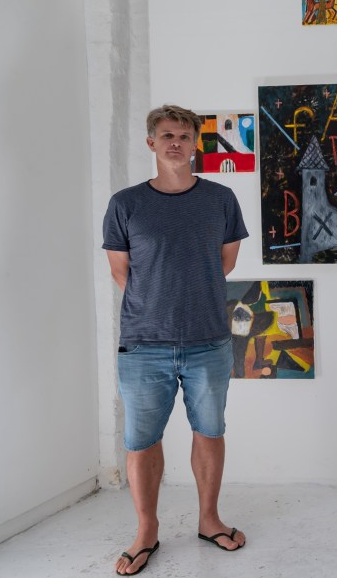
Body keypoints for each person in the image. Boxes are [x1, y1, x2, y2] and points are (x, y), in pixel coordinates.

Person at [102, 105, 249, 575]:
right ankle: (146, 531)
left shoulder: (221, 199)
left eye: (184, 136)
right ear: (151, 143)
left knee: (210, 431)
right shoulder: (125, 203)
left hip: (208, 339)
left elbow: (225, 263)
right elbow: (121, 272)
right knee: (141, 440)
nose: (175, 143)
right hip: (143, 343)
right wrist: (160, 304)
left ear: (195, 144)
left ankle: (209, 520)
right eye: (166, 135)